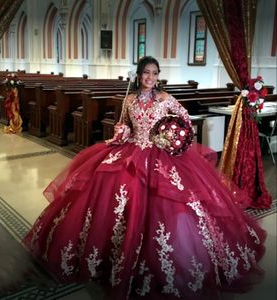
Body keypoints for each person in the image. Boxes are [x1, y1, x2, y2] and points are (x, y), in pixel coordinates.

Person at [23, 56, 266, 300]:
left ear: (158, 76)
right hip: (131, 152)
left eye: (154, 73)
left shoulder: (165, 98)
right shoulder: (129, 100)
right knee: (107, 195)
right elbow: (127, 125)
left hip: (161, 155)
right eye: (146, 73)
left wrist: (170, 138)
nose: (150, 77)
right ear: (139, 75)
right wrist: (122, 131)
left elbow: (185, 122)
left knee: (169, 205)